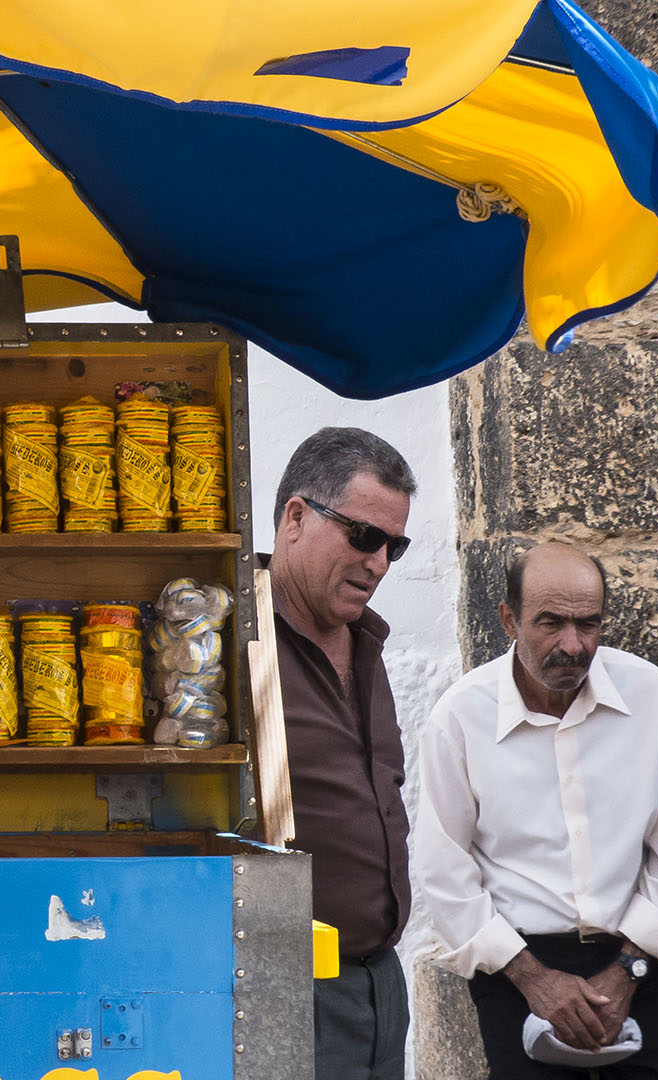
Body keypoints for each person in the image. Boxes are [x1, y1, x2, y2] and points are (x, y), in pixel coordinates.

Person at [414, 542, 658, 1079]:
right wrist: (534, 980)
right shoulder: (460, 716)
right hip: (517, 971)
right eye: (551, 623)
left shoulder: (648, 696)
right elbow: (443, 872)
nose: (573, 645)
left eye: (588, 625)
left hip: (638, 962)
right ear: (509, 620)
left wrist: (626, 973)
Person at [265, 427, 417, 1080]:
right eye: (363, 536)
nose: (379, 562)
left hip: (379, 986)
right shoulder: (232, 640)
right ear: (296, 517)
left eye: (395, 546)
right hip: (282, 988)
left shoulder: (367, 643)